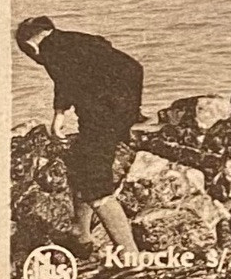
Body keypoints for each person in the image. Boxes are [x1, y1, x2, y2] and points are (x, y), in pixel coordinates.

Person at [16, 16, 143, 257]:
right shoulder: (81, 41)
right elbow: (131, 67)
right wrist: (130, 113)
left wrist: (58, 118)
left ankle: (131, 255)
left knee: (97, 186)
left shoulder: (50, 47)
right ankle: (81, 232)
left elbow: (65, 81)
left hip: (103, 117)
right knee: (79, 161)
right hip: (117, 110)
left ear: (30, 44)